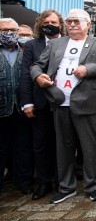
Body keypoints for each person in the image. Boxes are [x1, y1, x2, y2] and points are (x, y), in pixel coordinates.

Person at [30, 9, 96, 204]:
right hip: (60, 102)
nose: (71, 25)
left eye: (76, 22)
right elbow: (37, 65)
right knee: (63, 148)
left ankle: (94, 186)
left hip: (87, 102)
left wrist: (89, 69)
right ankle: (66, 187)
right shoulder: (55, 44)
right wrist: (38, 76)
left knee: (90, 148)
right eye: (69, 21)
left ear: (87, 24)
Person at [20, 10, 65, 200]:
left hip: (65, 102)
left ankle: (63, 179)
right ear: (40, 24)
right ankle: (45, 182)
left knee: (64, 142)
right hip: (40, 103)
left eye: (54, 21)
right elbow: (25, 75)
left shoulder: (70, 43)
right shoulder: (32, 45)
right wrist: (27, 102)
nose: (50, 24)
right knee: (41, 144)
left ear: (60, 24)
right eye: (46, 21)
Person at [0, 18, 33, 196]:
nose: (9, 34)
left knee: (23, 147)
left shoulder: (25, 51)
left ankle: (23, 181)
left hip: (22, 108)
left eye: (13, 30)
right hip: (2, 108)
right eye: (4, 30)